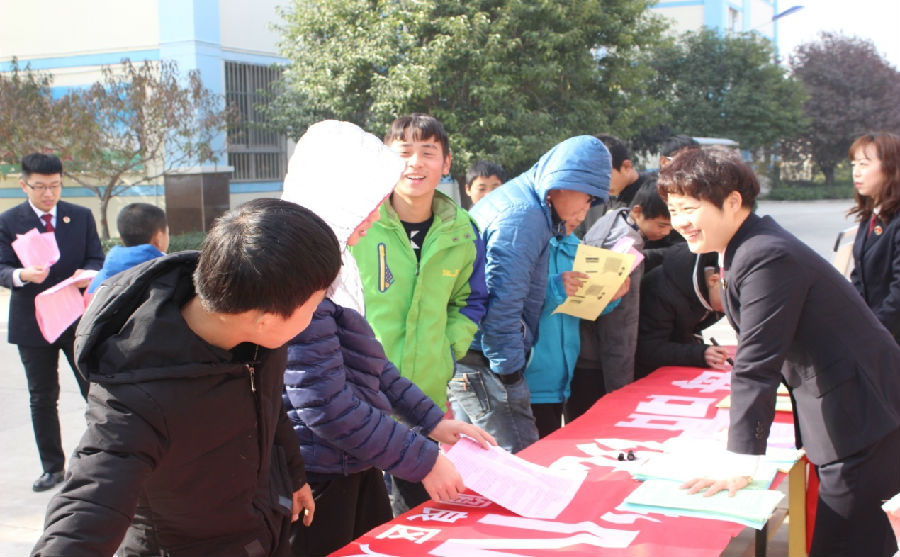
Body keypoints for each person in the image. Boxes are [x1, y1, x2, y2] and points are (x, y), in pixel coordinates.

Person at [31, 198, 342, 557]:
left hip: (262, 527)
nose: (317, 313)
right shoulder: (138, 390)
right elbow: (88, 504)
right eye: (314, 304)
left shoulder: (254, 322)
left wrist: (293, 476)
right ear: (265, 318)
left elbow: (269, 407)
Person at [660, 147, 900, 557]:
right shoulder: (747, 245)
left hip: (861, 419)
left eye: (689, 208)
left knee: (845, 543)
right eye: (673, 209)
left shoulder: (764, 253)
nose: (679, 222)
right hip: (853, 413)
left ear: (732, 202)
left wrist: (740, 460)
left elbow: (756, 363)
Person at [280, 120, 495, 556]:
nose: (376, 216)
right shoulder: (299, 276)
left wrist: (432, 421)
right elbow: (325, 405)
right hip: (319, 469)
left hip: (354, 458)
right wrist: (425, 457)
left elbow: (371, 363)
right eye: (369, 202)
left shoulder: (339, 264)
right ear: (338, 198)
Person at [350, 113, 488, 515]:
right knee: (366, 519)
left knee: (422, 515)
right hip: (360, 400)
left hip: (423, 401)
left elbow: (470, 299)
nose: (415, 163)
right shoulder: (360, 223)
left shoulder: (462, 229)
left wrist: (445, 349)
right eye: (404, 152)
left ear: (446, 164)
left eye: (428, 153)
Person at [448, 135, 612, 454]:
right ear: (564, 182)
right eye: (587, 198)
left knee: (476, 463)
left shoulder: (526, 203)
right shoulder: (524, 215)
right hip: (485, 361)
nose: (585, 209)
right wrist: (510, 373)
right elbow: (501, 300)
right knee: (519, 463)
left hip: (469, 354)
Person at [0, 153, 104, 492]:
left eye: (55, 185)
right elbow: (1, 268)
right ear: (24, 185)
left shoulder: (80, 216)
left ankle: (101, 458)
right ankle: (52, 468)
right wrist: (21, 274)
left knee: (93, 388)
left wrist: (85, 276)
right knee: (42, 396)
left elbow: (96, 258)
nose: (49, 194)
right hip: (31, 323)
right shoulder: (9, 220)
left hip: (74, 318)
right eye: (41, 187)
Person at [565, 181, 672, 421]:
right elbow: (620, 321)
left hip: (582, 351)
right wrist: (621, 386)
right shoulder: (627, 246)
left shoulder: (613, 219)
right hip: (597, 361)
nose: (666, 233)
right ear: (637, 212)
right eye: (661, 225)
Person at [634, 243, 727, 378]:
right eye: (731, 300)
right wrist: (699, 354)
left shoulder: (712, 291)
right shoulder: (662, 291)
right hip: (646, 375)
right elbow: (647, 348)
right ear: (713, 280)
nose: (732, 309)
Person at [848, 132, 900, 345]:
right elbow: (858, 278)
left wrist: (873, 332)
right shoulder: (872, 216)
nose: (856, 172)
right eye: (853, 165)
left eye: (864, 163)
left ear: (891, 167)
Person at [85, 202, 169, 301]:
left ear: (121, 238)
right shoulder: (170, 275)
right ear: (159, 237)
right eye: (167, 232)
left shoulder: (96, 282)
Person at [574, 134, 640, 236]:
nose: (600, 183)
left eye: (604, 176)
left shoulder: (653, 194)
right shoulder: (591, 197)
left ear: (626, 166)